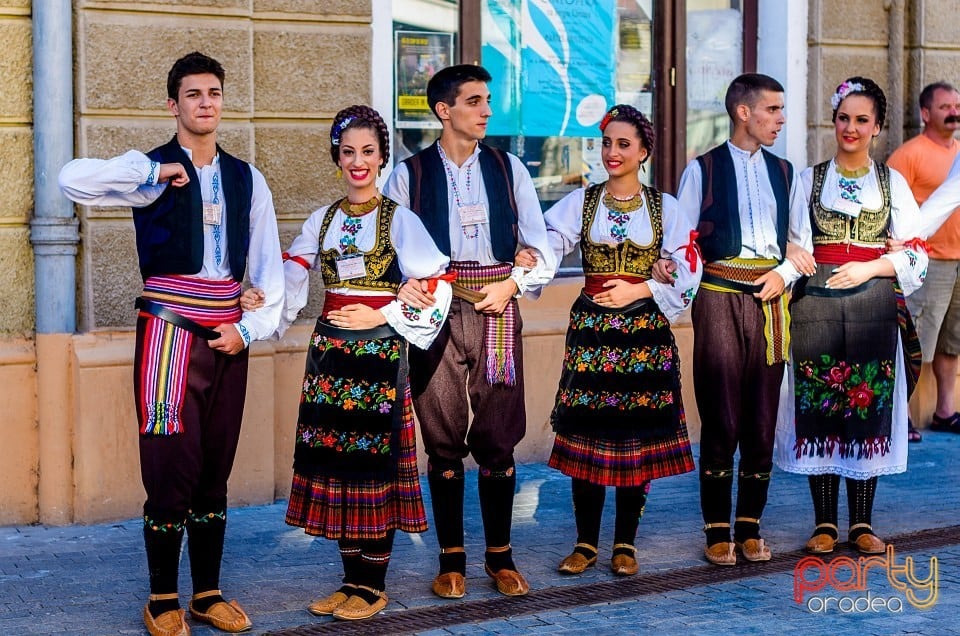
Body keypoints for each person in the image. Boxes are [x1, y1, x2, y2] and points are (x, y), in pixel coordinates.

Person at [58, 52, 284, 636]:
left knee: (216, 462)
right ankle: (162, 597)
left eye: (213, 93)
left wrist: (250, 324)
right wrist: (153, 174)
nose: (205, 103)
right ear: (173, 104)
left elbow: (266, 263)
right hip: (169, 335)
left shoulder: (245, 177)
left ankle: (207, 593)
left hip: (230, 335)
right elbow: (71, 180)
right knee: (168, 462)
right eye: (193, 94)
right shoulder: (150, 169)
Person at [266, 105, 453, 621]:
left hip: (377, 360)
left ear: (381, 157)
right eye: (348, 152)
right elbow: (291, 273)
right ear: (337, 158)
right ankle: (349, 581)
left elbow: (438, 284)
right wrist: (259, 300)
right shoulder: (322, 220)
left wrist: (387, 308)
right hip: (329, 362)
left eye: (367, 152)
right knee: (338, 466)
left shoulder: (400, 220)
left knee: (373, 467)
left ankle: (372, 585)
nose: (358, 162)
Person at [382, 64, 556, 599]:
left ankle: (500, 556)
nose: (486, 111)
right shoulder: (407, 176)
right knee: (442, 434)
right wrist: (404, 289)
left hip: (498, 304)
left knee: (499, 434)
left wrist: (516, 280)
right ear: (444, 110)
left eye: (486, 100)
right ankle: (451, 557)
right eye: (475, 101)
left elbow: (541, 246)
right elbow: (388, 252)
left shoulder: (509, 170)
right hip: (436, 310)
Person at [533, 105, 698, 577]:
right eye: (607, 143)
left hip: (644, 335)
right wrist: (530, 255)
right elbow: (548, 240)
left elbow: (688, 265)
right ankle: (585, 544)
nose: (612, 152)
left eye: (623, 144)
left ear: (643, 152)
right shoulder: (582, 203)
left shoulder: (665, 207)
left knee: (636, 442)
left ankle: (625, 543)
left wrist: (646, 284)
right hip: (592, 335)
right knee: (587, 438)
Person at [774, 77, 928, 555]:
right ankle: (824, 523)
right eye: (844, 118)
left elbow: (918, 255)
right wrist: (793, 254)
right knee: (820, 407)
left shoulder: (892, 182)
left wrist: (872, 265)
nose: (851, 128)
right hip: (816, 305)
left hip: (871, 305)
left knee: (867, 407)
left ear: (878, 126)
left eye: (862, 120)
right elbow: (793, 243)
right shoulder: (808, 179)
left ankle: (861, 523)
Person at [671, 73, 812, 566]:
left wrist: (786, 273)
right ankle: (715, 529)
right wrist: (671, 269)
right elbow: (680, 240)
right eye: (772, 109)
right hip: (717, 298)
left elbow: (802, 243)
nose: (781, 119)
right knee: (721, 414)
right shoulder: (703, 170)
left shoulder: (786, 172)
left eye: (781, 109)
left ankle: (750, 526)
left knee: (760, 417)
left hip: (771, 302)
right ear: (743, 113)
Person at [887, 82, 960, 439]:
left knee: (952, 342)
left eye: (957, 105)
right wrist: (908, 241)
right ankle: (900, 415)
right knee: (917, 339)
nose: (954, 111)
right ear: (925, 114)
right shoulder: (909, 154)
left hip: (959, 260)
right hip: (931, 262)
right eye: (945, 105)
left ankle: (945, 412)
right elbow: (943, 199)